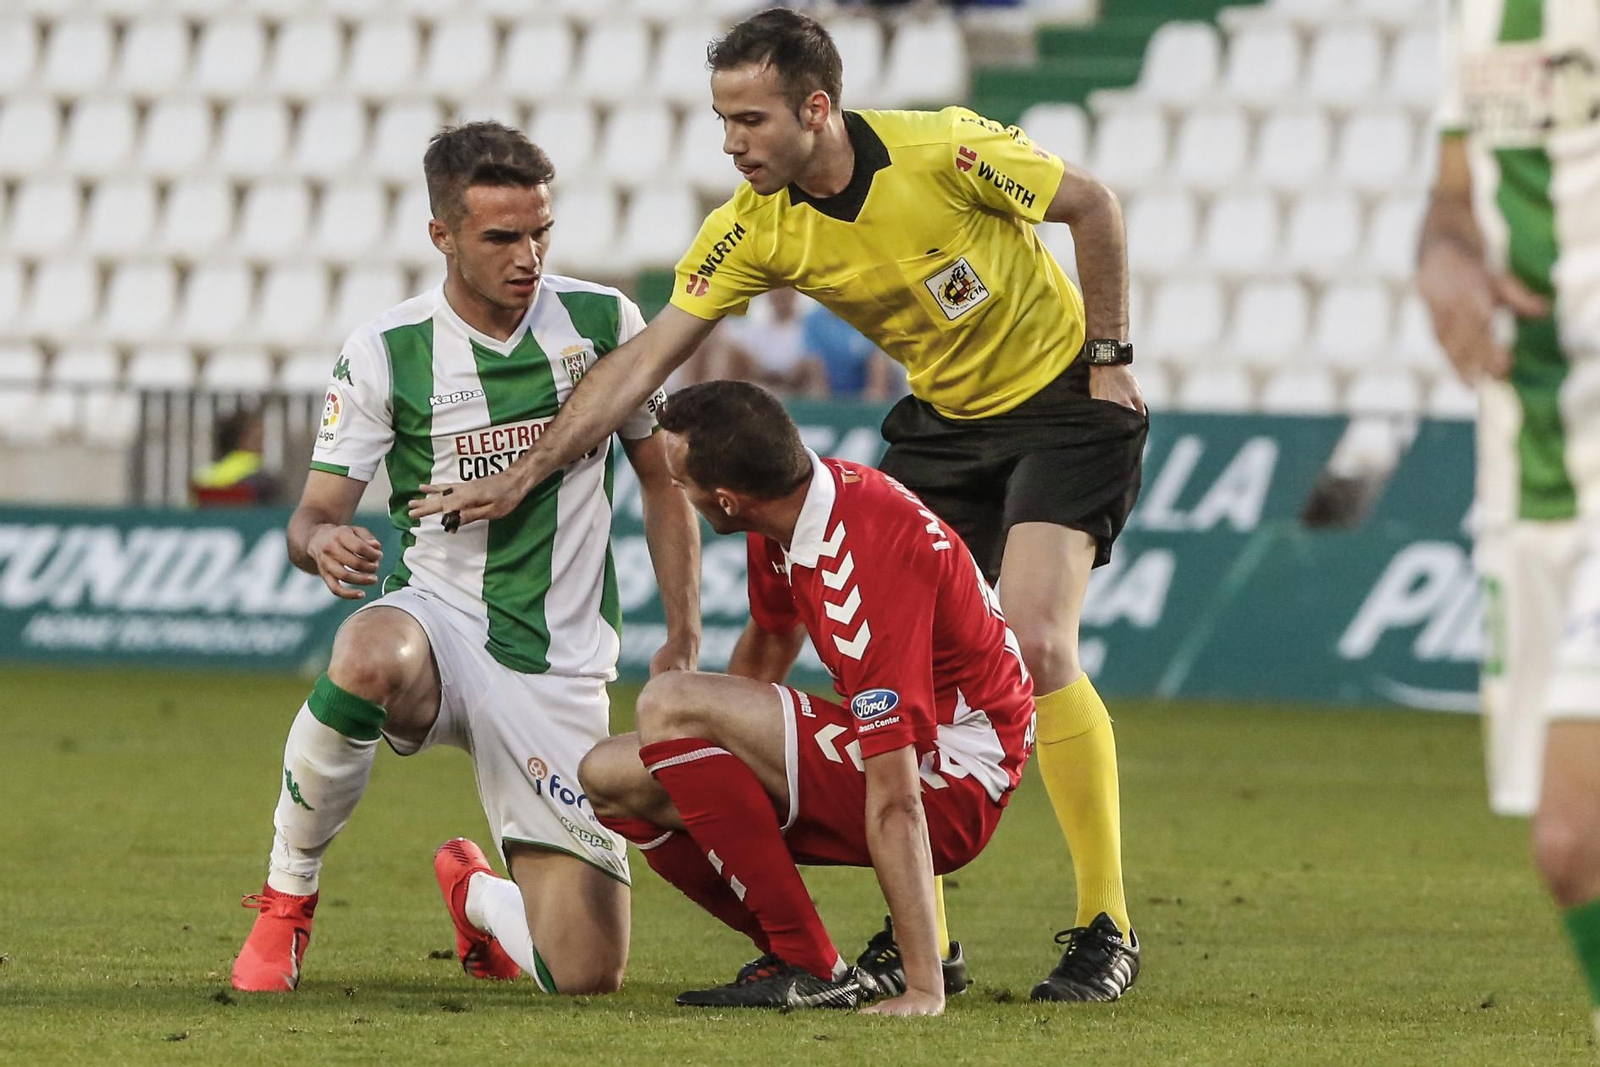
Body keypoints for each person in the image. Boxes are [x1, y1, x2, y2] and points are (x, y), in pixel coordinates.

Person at [409, 8, 1146, 1002]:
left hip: (1061, 399)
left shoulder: (946, 151)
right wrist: (526, 470)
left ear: (815, 108)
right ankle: (929, 938)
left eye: (749, 119)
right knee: (914, 678)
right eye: (722, 120)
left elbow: (1092, 206)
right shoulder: (756, 227)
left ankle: (1105, 924)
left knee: (1035, 639)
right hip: (943, 421)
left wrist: (1109, 359)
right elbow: (646, 360)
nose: (731, 141)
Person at [228, 122, 700, 995]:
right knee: (367, 653)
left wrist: (682, 627)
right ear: (442, 234)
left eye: (540, 232)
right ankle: (287, 897)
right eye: (501, 237)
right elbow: (312, 517)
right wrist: (322, 543)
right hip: (437, 628)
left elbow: (663, 481)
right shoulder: (387, 349)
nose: (528, 256)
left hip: (558, 666)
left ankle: (477, 893)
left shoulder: (603, 322)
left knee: (589, 976)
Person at [578, 381, 1034, 1016]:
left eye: (681, 481)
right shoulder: (794, 515)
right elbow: (769, 639)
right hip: (926, 757)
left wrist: (926, 984)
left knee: (667, 704)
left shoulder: (864, 563)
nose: (675, 491)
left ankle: (812, 964)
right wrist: (700, 746)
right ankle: (798, 957)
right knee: (608, 775)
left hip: (954, 780)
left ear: (727, 502)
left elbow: (899, 799)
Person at [1416, 0, 1600, 1041]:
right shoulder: (1475, 16)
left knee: (1573, 834)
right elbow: (1452, 196)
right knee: (1570, 847)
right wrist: (1442, 260)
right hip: (1532, 469)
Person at [722, 288, 828, 396]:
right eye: (776, 292)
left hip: (797, 388)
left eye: (785, 292)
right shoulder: (755, 328)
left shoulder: (808, 327)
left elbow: (810, 364)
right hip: (761, 385)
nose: (780, 296)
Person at [190, 408, 284, 506]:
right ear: (241, 440)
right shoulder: (263, 479)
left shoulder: (202, 477)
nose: (264, 446)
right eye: (259, 439)